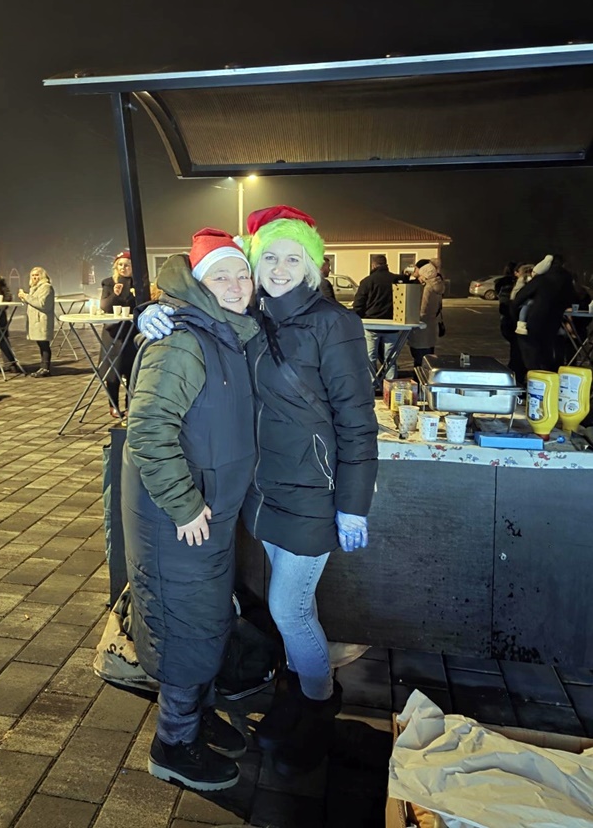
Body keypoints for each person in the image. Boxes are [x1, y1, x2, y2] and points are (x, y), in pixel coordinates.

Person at [140, 205, 378, 777]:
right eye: (267, 257)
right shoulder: (252, 317)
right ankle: (294, 695)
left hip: (311, 493)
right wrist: (155, 313)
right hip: (259, 496)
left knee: (289, 609)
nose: (278, 269)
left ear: (313, 267)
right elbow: (199, 325)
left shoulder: (335, 324)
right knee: (288, 608)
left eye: (293, 258)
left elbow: (357, 419)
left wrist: (354, 503)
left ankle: (316, 709)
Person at [122, 228, 258, 791]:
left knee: (205, 618)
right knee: (183, 625)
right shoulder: (181, 340)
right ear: (198, 284)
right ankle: (173, 744)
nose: (237, 285)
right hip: (179, 516)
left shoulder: (225, 330)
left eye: (242, 274)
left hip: (208, 511)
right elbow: (148, 430)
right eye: (221, 276)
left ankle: (196, 716)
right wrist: (183, 505)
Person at [513, 254, 577, 371]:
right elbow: (572, 299)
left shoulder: (542, 279)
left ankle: (534, 374)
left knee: (531, 353)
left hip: (534, 321)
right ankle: (550, 373)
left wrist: (514, 316)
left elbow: (520, 297)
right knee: (548, 352)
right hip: (555, 322)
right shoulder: (568, 281)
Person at [353, 254, 404, 385]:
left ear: (373, 265)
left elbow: (358, 304)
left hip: (371, 325)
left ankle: (371, 384)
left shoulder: (367, 281)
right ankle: (390, 385)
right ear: (386, 264)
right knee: (390, 358)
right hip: (392, 325)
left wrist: (359, 317)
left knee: (370, 357)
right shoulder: (396, 280)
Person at [99, 250, 137, 418]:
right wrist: (115, 294)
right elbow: (104, 306)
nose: (123, 268)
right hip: (113, 333)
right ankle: (113, 405)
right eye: (120, 265)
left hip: (132, 331)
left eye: (127, 265)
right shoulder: (108, 283)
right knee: (112, 371)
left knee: (131, 369)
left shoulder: (139, 283)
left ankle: (130, 405)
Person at [407, 258, 445, 368]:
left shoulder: (427, 287)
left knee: (420, 361)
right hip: (431, 328)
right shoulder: (437, 284)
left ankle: (419, 378)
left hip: (421, 329)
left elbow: (423, 309)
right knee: (428, 359)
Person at [18, 267, 55, 377]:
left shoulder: (46, 287)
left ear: (42, 276)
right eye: (33, 275)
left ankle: (45, 368)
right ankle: (43, 367)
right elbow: (33, 302)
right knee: (41, 344)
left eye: (37, 275)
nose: (35, 277)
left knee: (44, 344)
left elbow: (42, 304)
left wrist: (26, 296)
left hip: (41, 320)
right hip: (35, 320)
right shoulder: (34, 288)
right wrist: (24, 298)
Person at [515, 254, 553, 336]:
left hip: (524, 301)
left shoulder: (534, 280)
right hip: (525, 301)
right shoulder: (531, 280)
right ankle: (521, 323)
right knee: (528, 304)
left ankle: (521, 323)